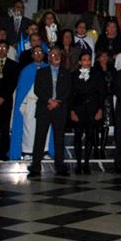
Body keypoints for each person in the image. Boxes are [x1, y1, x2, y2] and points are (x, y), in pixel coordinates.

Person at [28, 47, 71, 177]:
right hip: (44, 109)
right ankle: (35, 166)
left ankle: (60, 166)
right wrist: (49, 100)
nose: (56, 56)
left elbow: (68, 90)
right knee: (40, 138)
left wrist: (57, 101)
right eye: (53, 54)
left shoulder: (66, 73)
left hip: (59, 109)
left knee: (59, 139)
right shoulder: (41, 72)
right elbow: (37, 89)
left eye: (58, 54)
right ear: (48, 58)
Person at [9, 45, 53, 160]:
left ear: (44, 54)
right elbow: (22, 89)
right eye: (35, 52)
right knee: (29, 128)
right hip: (30, 103)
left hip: (45, 103)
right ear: (32, 55)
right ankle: (27, 151)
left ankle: (44, 150)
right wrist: (22, 103)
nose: (38, 54)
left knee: (45, 127)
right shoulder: (26, 70)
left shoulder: (49, 68)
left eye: (40, 52)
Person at [70, 51, 104, 174]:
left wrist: (100, 109)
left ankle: (86, 164)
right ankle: (78, 164)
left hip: (92, 109)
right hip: (78, 109)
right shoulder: (74, 75)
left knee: (90, 137)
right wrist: (72, 111)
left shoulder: (97, 74)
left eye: (89, 59)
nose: (87, 62)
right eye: (84, 60)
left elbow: (102, 93)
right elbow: (70, 94)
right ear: (80, 62)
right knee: (78, 137)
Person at [93, 50, 115, 159]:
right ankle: (96, 148)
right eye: (102, 56)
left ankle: (102, 148)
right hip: (96, 99)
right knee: (96, 124)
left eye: (106, 56)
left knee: (106, 124)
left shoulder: (112, 69)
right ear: (98, 58)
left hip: (108, 99)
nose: (104, 58)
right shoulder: (94, 69)